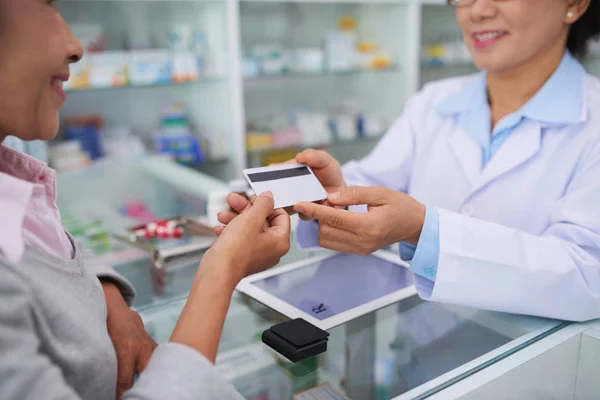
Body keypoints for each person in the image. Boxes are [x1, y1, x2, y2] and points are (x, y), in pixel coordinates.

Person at [221, 0, 600, 322]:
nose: (478, 11)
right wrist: (328, 196)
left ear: (575, 4)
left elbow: (587, 274)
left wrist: (423, 230)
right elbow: (373, 181)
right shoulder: (433, 103)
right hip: (414, 347)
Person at [0, 1, 290, 399]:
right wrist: (222, 269)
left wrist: (107, 296)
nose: (75, 46)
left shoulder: (16, 183)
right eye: (45, 4)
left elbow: (49, 247)